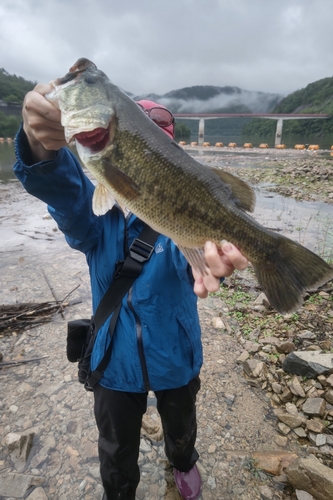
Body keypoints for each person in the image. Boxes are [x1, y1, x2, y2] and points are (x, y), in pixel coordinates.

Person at [14, 85, 248, 500]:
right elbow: (63, 190)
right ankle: (119, 492)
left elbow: (195, 260)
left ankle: (182, 462)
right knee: (116, 445)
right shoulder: (94, 217)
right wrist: (39, 146)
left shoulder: (181, 219)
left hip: (176, 355)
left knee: (181, 426)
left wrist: (219, 263)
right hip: (111, 362)